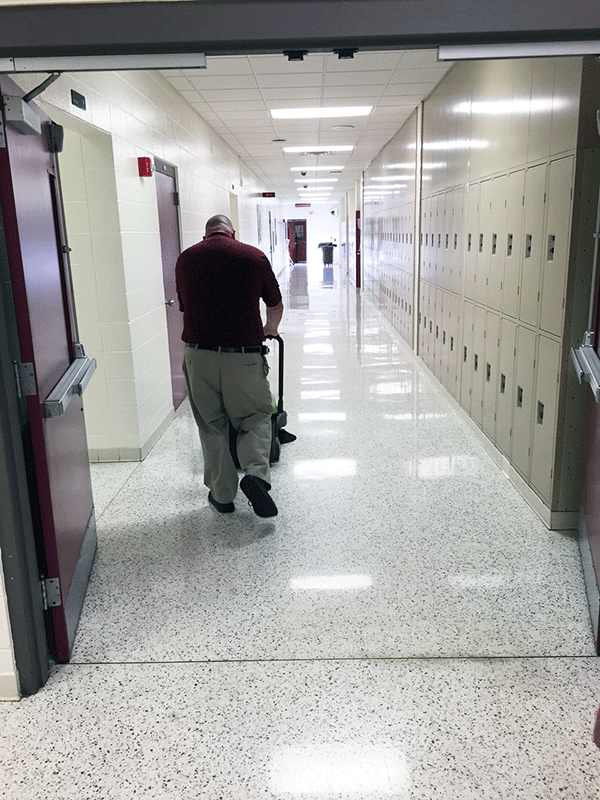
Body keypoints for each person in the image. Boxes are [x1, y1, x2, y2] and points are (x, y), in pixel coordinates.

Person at [175, 214, 284, 517]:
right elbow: (275, 305)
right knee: (256, 416)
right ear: (232, 233)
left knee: (211, 425)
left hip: (200, 357)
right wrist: (268, 329)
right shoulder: (253, 256)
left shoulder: (186, 259)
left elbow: (185, 304)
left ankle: (222, 496)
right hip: (243, 357)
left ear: (206, 233)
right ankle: (255, 476)